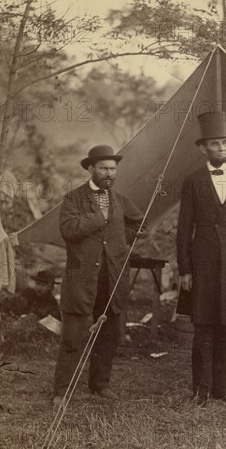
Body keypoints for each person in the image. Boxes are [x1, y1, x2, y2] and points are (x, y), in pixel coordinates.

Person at [52, 145, 144, 407]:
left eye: (113, 169)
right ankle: (62, 390)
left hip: (112, 277)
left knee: (109, 333)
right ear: (90, 169)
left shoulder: (121, 199)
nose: (109, 173)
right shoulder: (73, 199)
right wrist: (98, 218)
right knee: (72, 336)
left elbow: (140, 222)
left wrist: (121, 242)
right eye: (103, 168)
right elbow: (68, 230)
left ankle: (100, 384)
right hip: (81, 279)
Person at [176, 111, 226, 407]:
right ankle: (201, 389)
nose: (222, 148)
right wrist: (185, 269)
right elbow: (184, 228)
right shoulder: (193, 181)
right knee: (204, 328)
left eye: (225, 143)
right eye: (215, 144)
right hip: (203, 263)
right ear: (203, 148)